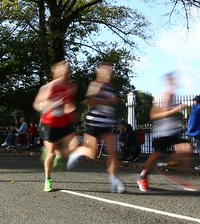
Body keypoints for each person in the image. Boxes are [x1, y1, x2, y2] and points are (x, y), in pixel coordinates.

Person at [67, 62, 125, 194]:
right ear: (100, 73)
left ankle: (114, 181)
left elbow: (113, 102)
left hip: (107, 124)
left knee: (113, 153)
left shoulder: (110, 88)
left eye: (111, 71)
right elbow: (90, 102)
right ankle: (77, 152)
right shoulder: (95, 85)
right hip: (93, 123)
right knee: (92, 153)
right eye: (107, 71)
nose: (110, 73)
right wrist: (107, 100)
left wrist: (115, 101)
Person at [136, 73, 191, 192]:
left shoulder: (174, 96)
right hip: (161, 132)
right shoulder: (160, 97)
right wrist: (174, 110)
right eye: (172, 81)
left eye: (175, 81)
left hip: (172, 130)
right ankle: (143, 176)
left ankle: (167, 164)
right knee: (156, 155)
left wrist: (180, 112)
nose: (174, 83)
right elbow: (154, 115)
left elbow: (174, 112)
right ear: (167, 82)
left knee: (186, 148)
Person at [33, 60, 78, 192]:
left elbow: (69, 104)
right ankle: (48, 179)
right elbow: (37, 105)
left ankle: (58, 153)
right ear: (55, 72)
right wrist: (47, 104)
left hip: (64, 123)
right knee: (51, 154)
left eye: (67, 68)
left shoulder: (71, 87)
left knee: (73, 147)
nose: (65, 70)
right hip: (49, 124)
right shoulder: (48, 87)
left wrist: (72, 111)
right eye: (62, 68)